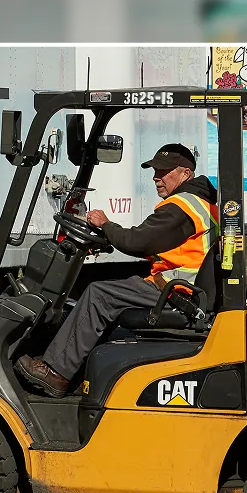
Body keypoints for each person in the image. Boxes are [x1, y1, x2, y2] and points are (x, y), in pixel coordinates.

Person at [15, 143, 219, 398]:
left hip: (177, 292)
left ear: (185, 174)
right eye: (155, 170)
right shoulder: (204, 202)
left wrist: (106, 225)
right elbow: (149, 241)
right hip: (183, 287)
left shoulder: (183, 206)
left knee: (99, 295)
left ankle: (56, 373)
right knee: (108, 295)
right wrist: (109, 235)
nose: (156, 177)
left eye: (164, 171)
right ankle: (83, 374)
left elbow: (139, 241)